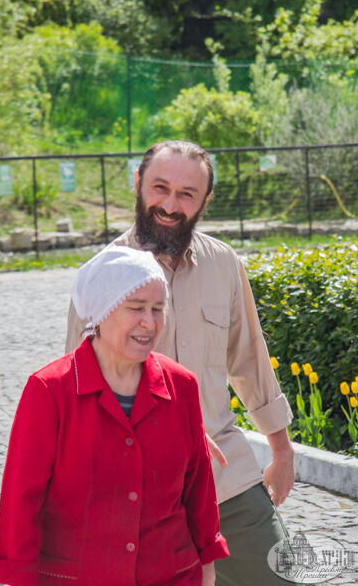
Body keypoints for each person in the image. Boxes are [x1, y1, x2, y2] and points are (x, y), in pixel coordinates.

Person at [65, 140, 297, 586]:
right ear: (138, 183)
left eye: (187, 194)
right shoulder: (101, 275)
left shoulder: (224, 263)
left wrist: (282, 449)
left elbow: (249, 357)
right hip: (136, 491)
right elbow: (78, 386)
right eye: (160, 188)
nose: (170, 205)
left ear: (206, 200)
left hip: (225, 479)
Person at [0, 246, 229, 586]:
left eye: (158, 309)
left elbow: (199, 488)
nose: (150, 322)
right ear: (101, 312)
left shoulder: (182, 385)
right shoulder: (49, 391)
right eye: (136, 307)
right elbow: (21, 500)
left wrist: (207, 566)